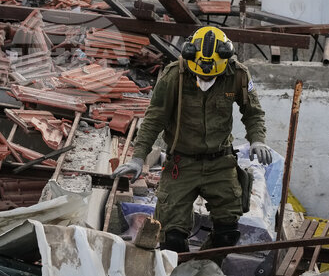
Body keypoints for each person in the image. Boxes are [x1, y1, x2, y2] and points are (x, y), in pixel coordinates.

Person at [113, 26, 273, 253]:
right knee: (172, 236)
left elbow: (253, 113)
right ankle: (177, 274)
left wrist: (257, 140)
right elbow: (154, 118)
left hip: (221, 163)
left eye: (211, 76)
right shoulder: (173, 76)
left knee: (227, 232)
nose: (206, 80)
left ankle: (205, 268)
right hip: (182, 163)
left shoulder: (238, 75)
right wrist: (138, 158)